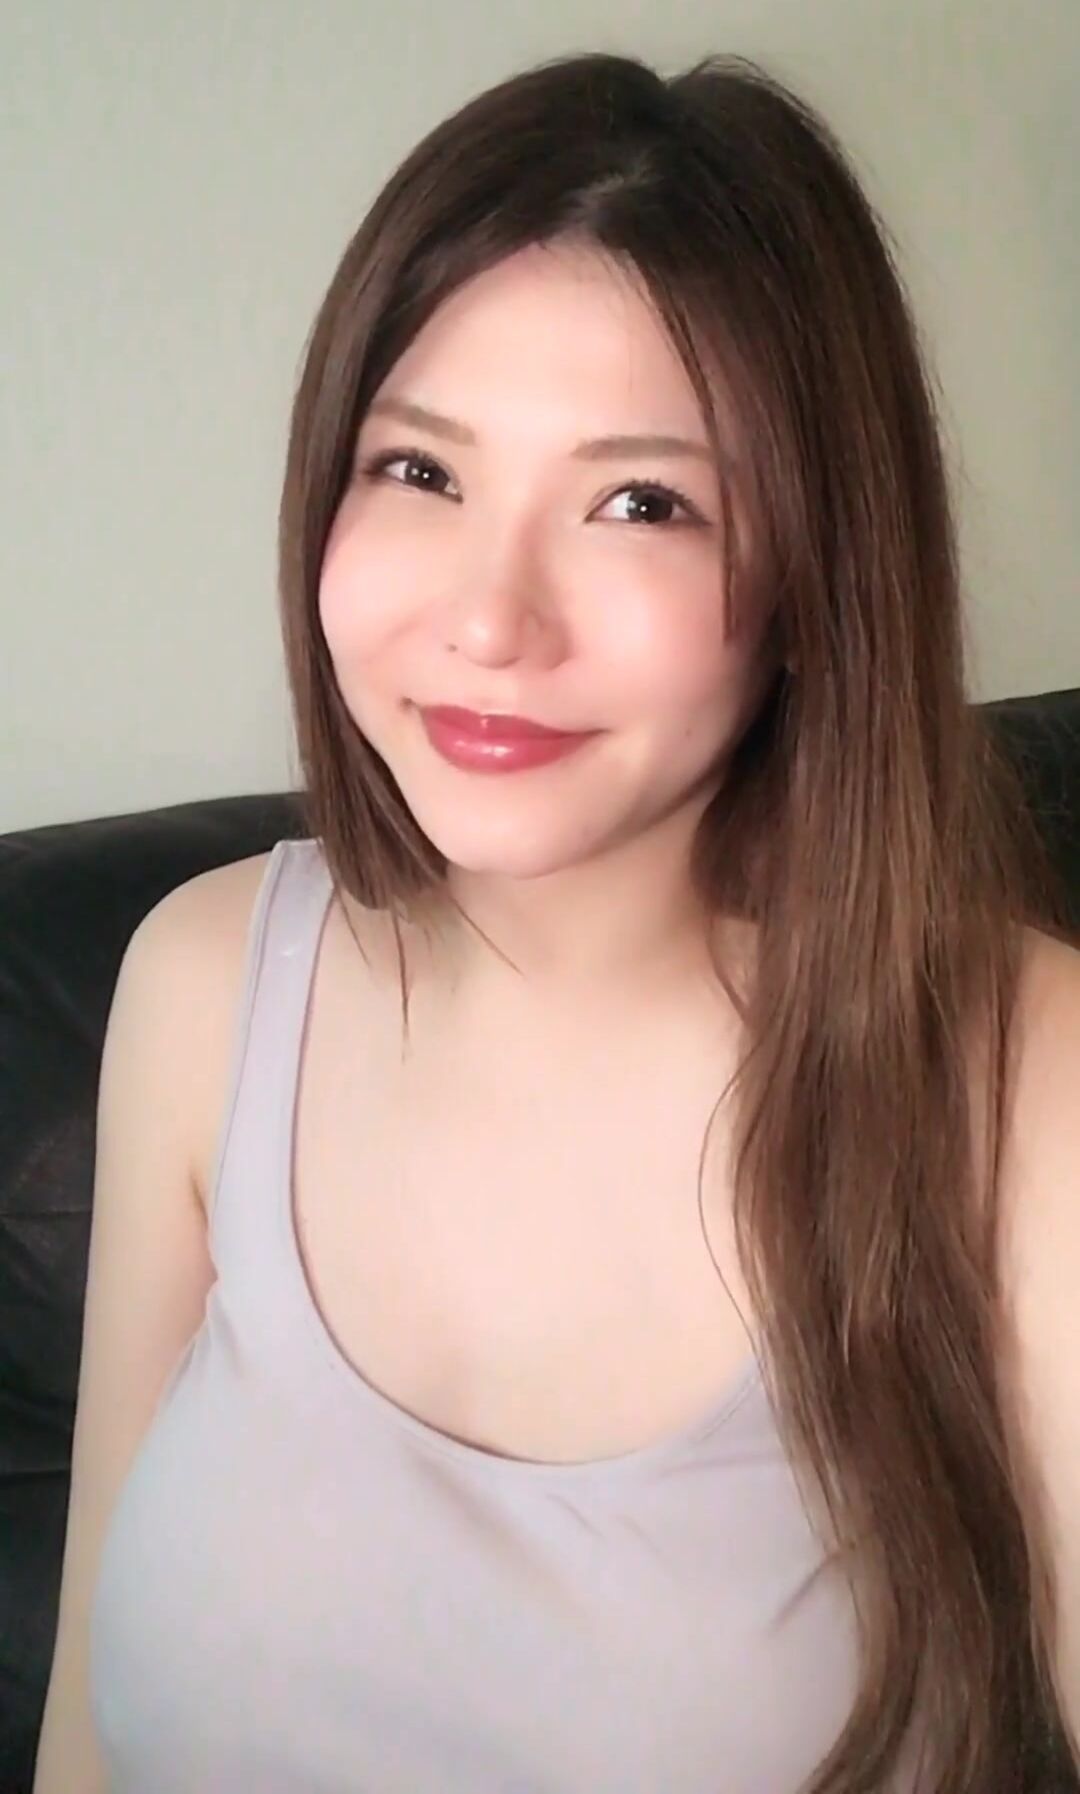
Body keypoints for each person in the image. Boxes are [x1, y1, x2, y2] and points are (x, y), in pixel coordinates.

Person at [32, 48, 1080, 1794]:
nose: (490, 620)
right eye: (419, 470)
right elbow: (86, 1727)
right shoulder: (201, 983)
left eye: (640, 502)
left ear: (816, 581)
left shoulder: (1023, 1076)